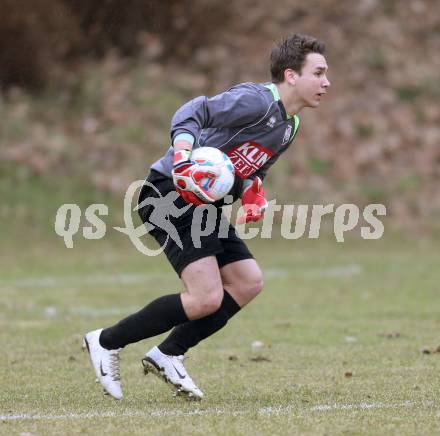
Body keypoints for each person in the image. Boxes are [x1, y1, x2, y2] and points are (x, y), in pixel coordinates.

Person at [83, 33, 330, 400]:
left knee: (247, 281)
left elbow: (252, 172)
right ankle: (106, 341)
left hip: (203, 204)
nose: (327, 82)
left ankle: (168, 354)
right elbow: (194, 110)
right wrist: (183, 155)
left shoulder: (290, 126)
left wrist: (252, 196)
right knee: (206, 298)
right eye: (319, 72)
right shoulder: (258, 101)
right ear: (292, 76)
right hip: (168, 193)